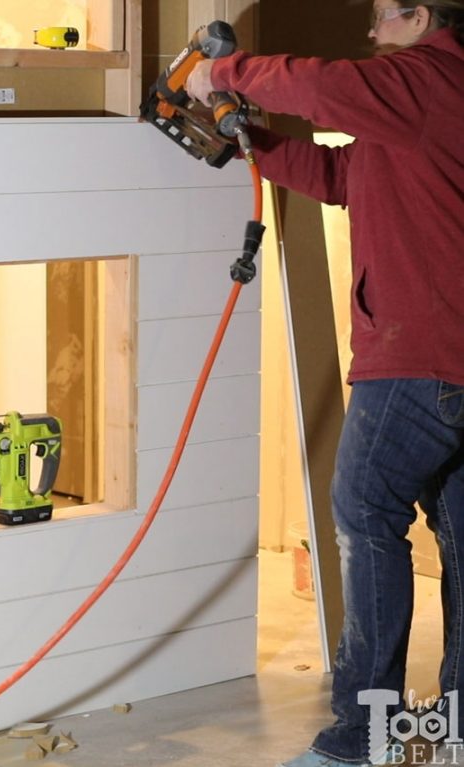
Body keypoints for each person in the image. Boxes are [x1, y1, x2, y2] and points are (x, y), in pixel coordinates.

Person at [186, 3, 464, 766]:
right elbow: (349, 175)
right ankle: (452, 734)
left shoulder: (425, 78)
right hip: (447, 357)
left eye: (381, 15)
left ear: (419, 14)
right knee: (459, 539)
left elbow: (323, 88)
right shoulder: (427, 103)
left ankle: (362, 738)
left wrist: (219, 71)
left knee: (366, 513)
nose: (372, 32)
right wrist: (260, 144)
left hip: (420, 354)